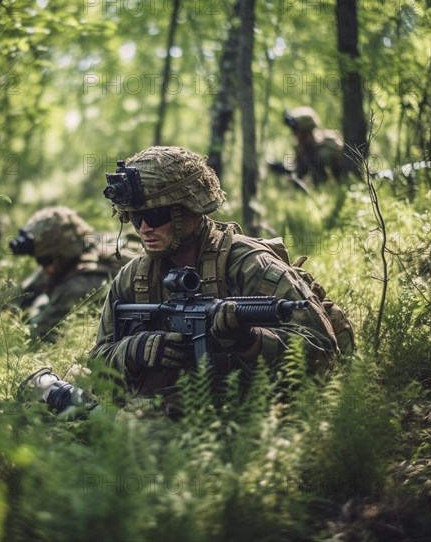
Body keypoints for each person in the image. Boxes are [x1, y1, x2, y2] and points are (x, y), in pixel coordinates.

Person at [22, 146, 351, 416]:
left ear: (192, 209)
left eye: (156, 216)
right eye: (136, 218)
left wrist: (248, 340)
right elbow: (99, 363)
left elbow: (322, 350)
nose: (144, 228)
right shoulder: (133, 278)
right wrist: (132, 350)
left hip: (250, 420)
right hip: (160, 418)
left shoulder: (247, 264)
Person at [9, 206, 134, 343]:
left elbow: (38, 332)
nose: (45, 269)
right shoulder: (77, 250)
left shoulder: (80, 283)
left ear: (64, 252)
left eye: (46, 260)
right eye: (40, 261)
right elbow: (18, 295)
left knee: (40, 305)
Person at [282, 106, 345, 185]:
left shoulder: (329, 147)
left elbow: (341, 177)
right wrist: (284, 169)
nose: (294, 134)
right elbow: (299, 171)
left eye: (295, 130)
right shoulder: (303, 148)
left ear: (305, 131)